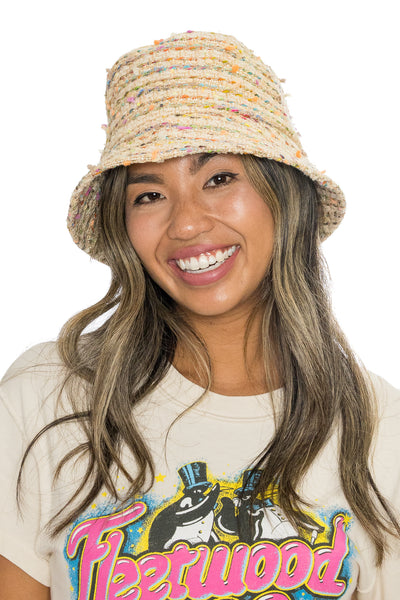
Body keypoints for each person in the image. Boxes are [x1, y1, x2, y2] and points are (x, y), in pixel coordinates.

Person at [0, 31, 399, 600]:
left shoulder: (379, 428)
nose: (186, 223)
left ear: (283, 197)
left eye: (219, 179)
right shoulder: (47, 398)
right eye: (149, 195)